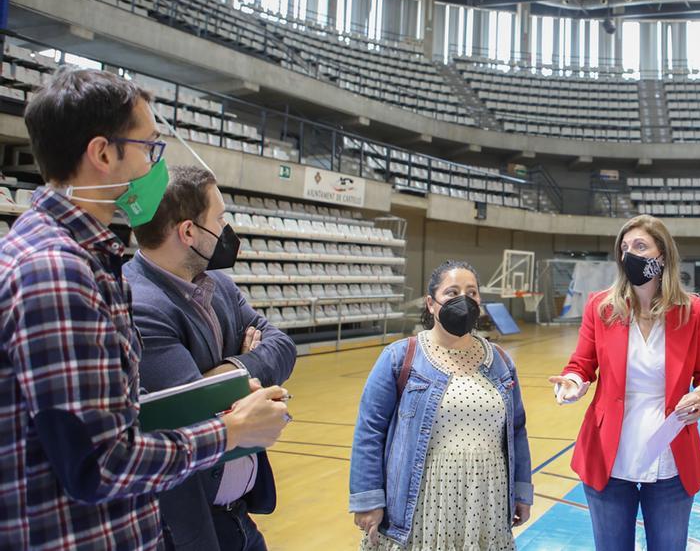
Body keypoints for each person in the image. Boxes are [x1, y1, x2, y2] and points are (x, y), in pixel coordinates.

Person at [0, 67, 290, 550]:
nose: (158, 165)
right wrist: (229, 428)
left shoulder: (82, 258)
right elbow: (100, 464)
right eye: (150, 148)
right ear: (103, 153)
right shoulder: (58, 272)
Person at [125, 165, 297, 550]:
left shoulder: (218, 283)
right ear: (188, 232)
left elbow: (282, 345)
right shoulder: (138, 304)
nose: (226, 230)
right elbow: (194, 413)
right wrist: (243, 372)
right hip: (192, 525)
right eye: (219, 219)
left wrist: (232, 368)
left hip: (240, 515)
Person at [550, 214, 700, 551]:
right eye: (624, 247)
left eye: (640, 246)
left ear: (662, 256)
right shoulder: (601, 307)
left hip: (670, 455)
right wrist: (572, 382)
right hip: (609, 455)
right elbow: (581, 365)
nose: (630, 254)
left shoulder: (694, 311)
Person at [350, 260, 532, 550]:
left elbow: (517, 431)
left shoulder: (500, 361)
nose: (464, 300)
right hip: (424, 499)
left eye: (472, 292)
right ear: (431, 303)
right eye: (452, 292)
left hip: (487, 499)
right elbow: (369, 431)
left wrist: (521, 492)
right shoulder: (400, 357)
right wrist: (368, 499)